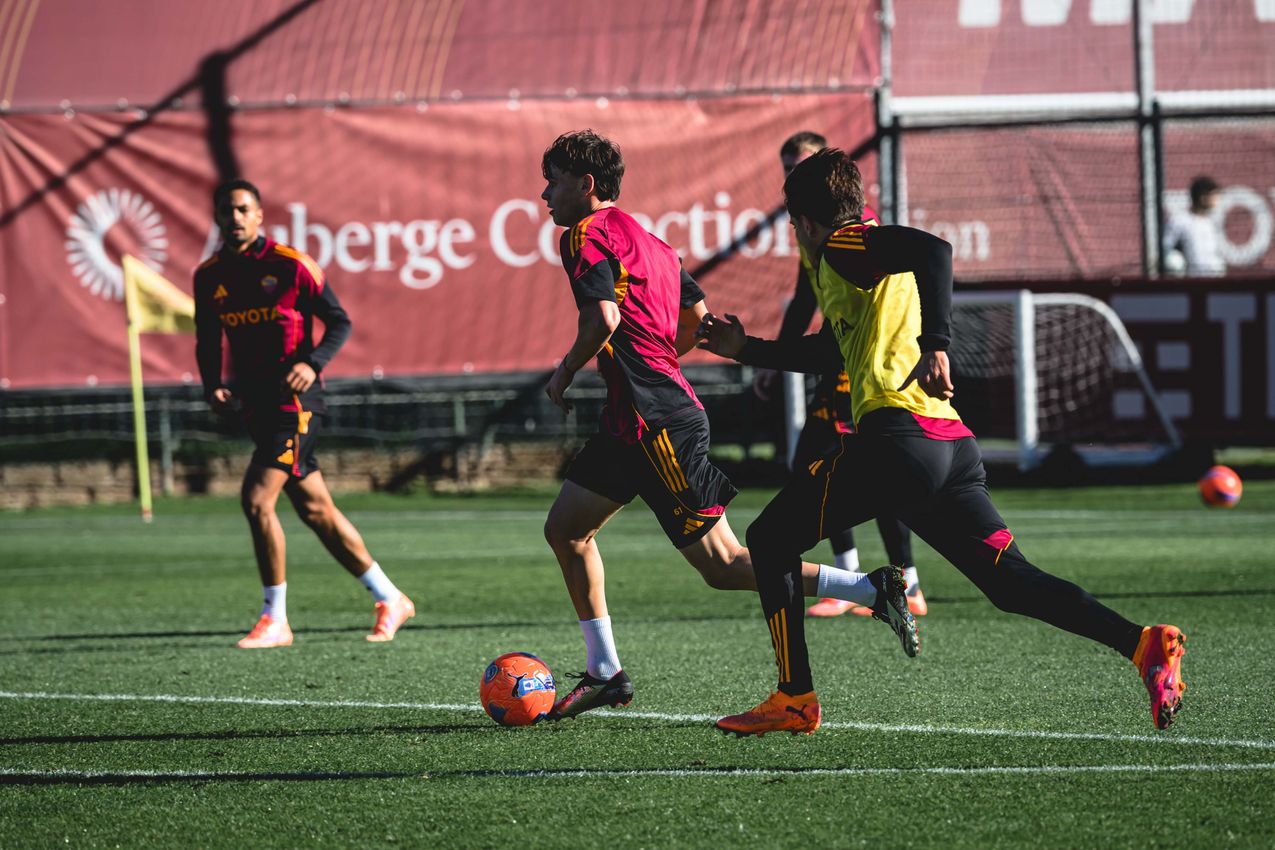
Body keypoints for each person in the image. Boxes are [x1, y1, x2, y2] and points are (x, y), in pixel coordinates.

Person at [698, 148, 1186, 736]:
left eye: (795, 225)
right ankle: (1142, 644)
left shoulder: (845, 245)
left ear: (804, 222)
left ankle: (795, 697)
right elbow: (830, 351)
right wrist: (747, 349)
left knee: (769, 538)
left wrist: (937, 345)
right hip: (948, 446)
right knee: (1009, 582)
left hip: (898, 441)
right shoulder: (858, 266)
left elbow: (936, 251)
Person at [538, 131, 918, 720]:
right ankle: (605, 671)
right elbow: (698, 322)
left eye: (553, 182)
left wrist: (565, 372)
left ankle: (870, 589)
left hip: (653, 422)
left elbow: (603, 318)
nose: (545, 195)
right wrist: (657, 361)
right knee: (566, 530)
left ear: (586, 185)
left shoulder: (583, 234)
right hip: (634, 418)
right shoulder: (655, 244)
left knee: (724, 565)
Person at [195, 179, 415, 649]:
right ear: (217, 218)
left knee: (257, 500)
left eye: (243, 209)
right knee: (317, 511)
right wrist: (211, 384)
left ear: (258, 215)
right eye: (227, 211)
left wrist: (311, 363)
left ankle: (275, 619)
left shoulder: (291, 265)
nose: (235, 218)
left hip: (296, 407)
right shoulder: (209, 276)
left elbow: (339, 321)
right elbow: (208, 339)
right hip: (257, 408)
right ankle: (390, 597)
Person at [761, 131, 927, 618]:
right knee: (831, 466)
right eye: (787, 166)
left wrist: (936, 343)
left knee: (842, 469)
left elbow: (930, 257)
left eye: (801, 164)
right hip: (842, 361)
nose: (792, 174)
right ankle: (868, 579)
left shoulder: (854, 231)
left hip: (865, 371)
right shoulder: (813, 234)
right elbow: (805, 301)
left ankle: (889, 582)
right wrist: (775, 357)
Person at [1163, 175, 1225, 277]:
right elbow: (1166, 246)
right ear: (1203, 198)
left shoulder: (1210, 222)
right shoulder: (1180, 220)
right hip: (1195, 280)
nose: (1217, 199)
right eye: (1214, 195)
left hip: (1216, 278)